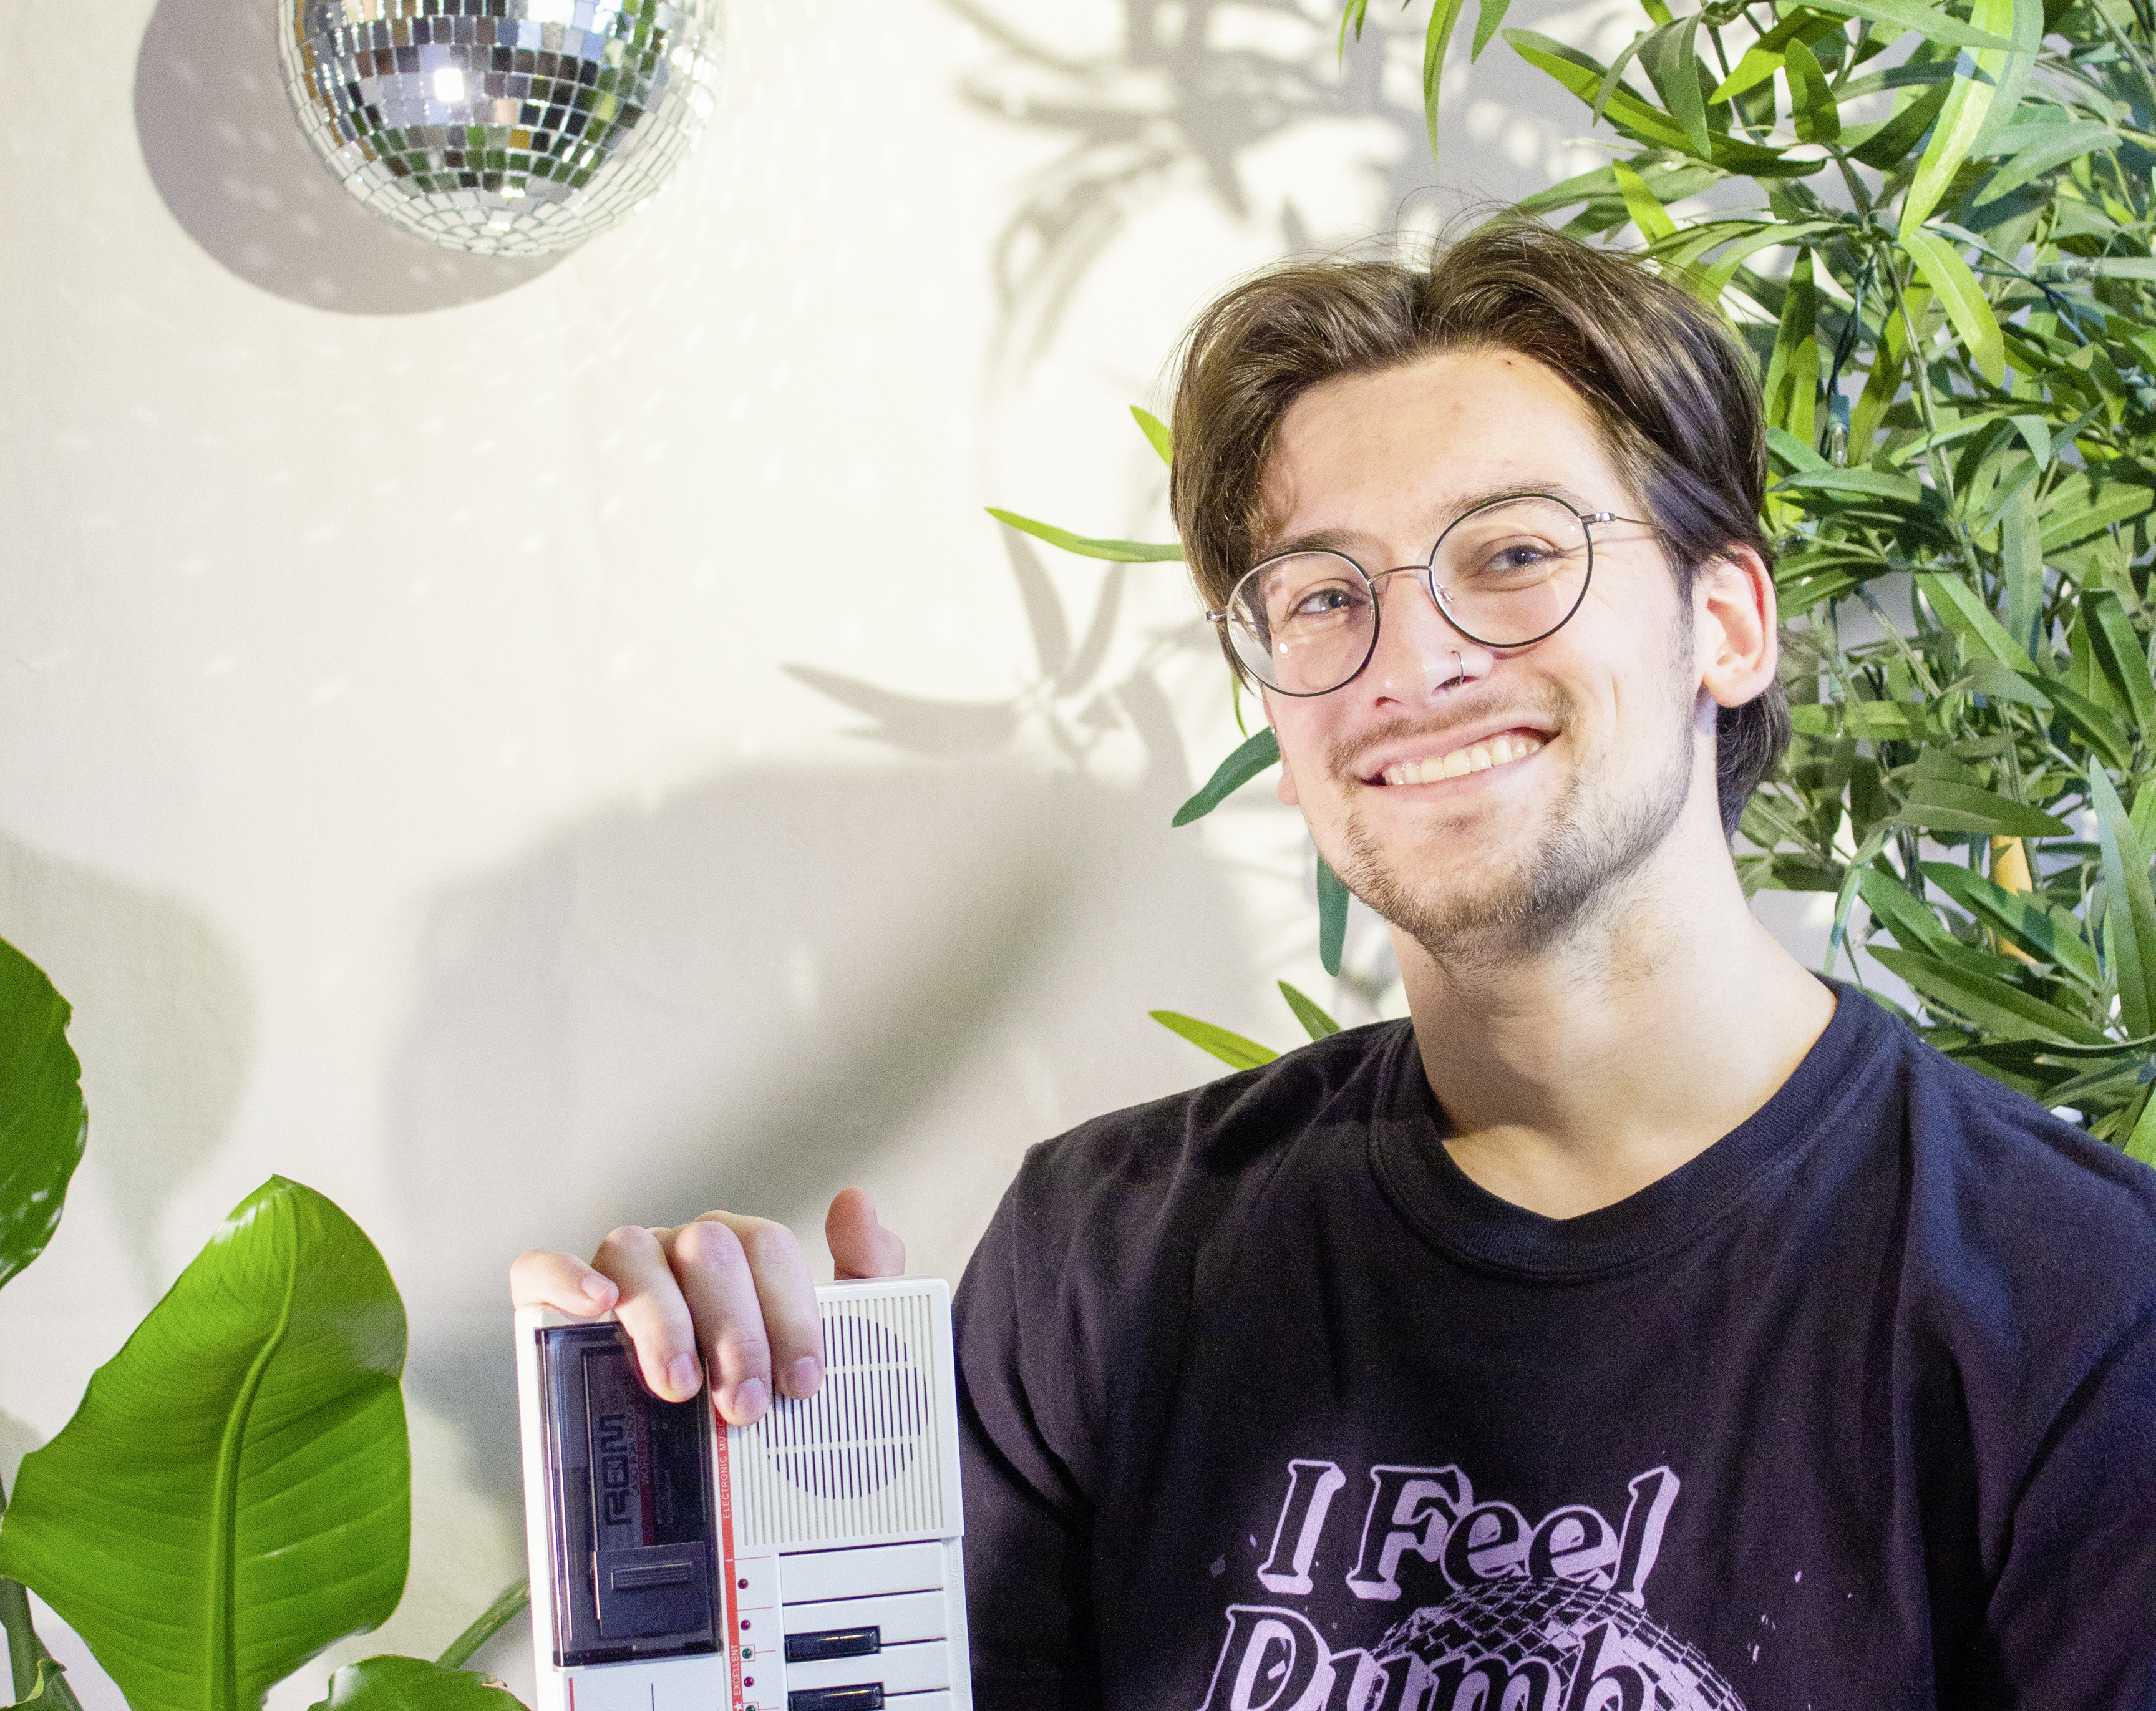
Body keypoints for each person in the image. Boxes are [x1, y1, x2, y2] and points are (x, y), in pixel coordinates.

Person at [512, 218, 2156, 1710]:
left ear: (1726, 624)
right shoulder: (1101, 1256)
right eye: (1320, 597)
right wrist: (726, 1570)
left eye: (1514, 554)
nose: (1413, 661)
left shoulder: (2081, 1308)